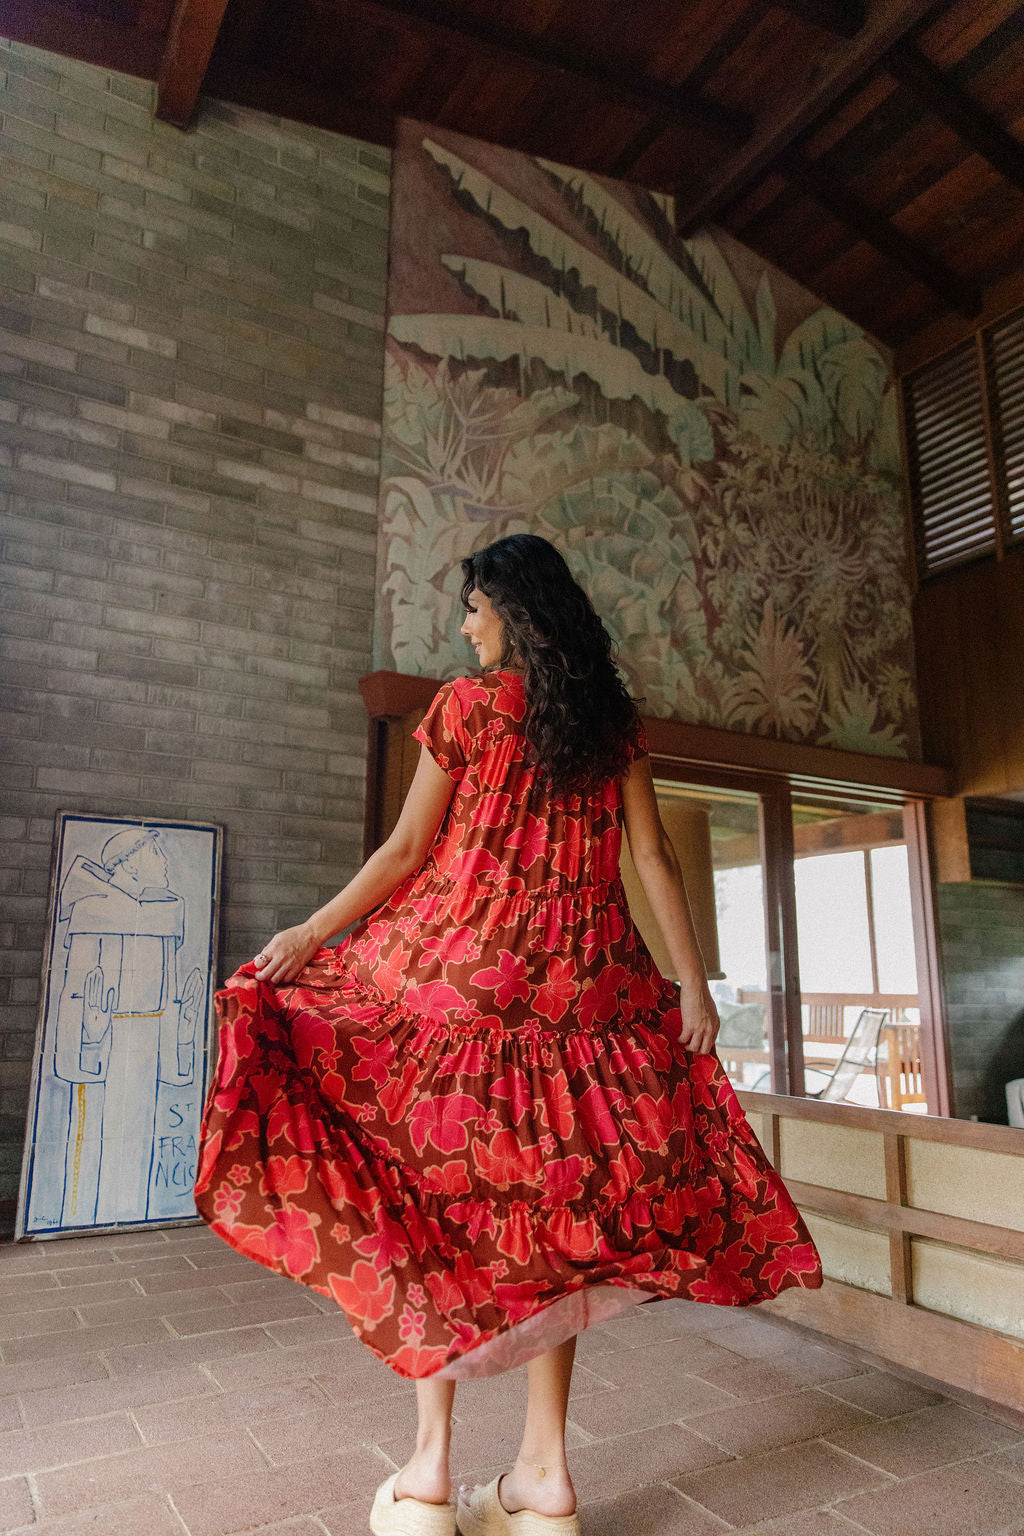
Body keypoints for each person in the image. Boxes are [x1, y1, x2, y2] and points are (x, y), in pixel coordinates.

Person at [194, 534, 823, 1536]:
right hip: (586, 1014)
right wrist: (694, 993)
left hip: (451, 998)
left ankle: (431, 1477)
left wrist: (312, 934)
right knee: (555, 1232)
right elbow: (652, 857)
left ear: (514, 610)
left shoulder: (468, 707)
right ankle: (543, 1481)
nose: (465, 624)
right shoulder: (609, 722)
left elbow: (406, 852)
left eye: (475, 605)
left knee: (427, 1209)